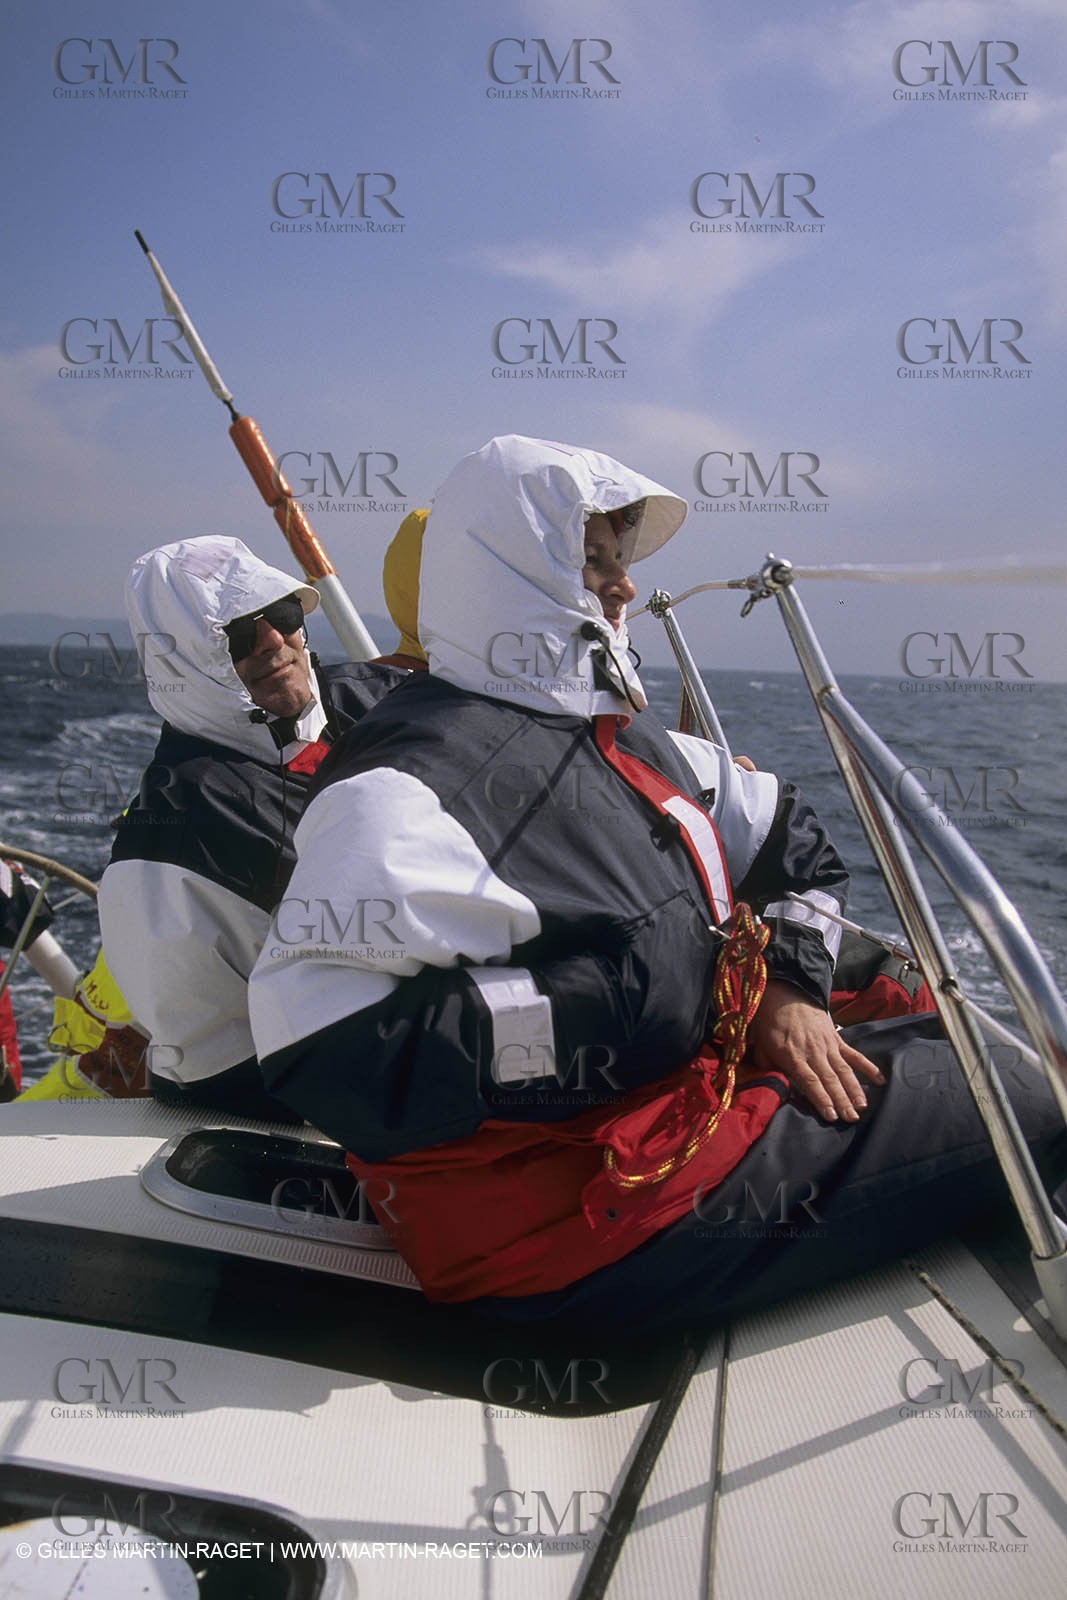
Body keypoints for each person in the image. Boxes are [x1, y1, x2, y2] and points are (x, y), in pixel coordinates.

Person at [247, 435, 1064, 1333]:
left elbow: (787, 831)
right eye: (590, 559)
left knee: (966, 1030)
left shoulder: (611, 732)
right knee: (1025, 1079)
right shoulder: (405, 793)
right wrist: (642, 998)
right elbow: (320, 1046)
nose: (623, 585)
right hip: (573, 1223)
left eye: (620, 558)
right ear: (508, 574)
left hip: (668, 1119)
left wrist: (787, 988)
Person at [96, 534, 405, 1117]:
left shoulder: (378, 703)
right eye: (238, 635)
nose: (273, 641)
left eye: (282, 613)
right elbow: (216, 1069)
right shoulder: (172, 847)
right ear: (181, 659)